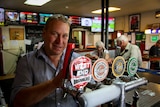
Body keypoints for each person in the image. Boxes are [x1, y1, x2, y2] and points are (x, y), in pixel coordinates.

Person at [10, 14, 81, 107]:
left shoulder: (78, 60)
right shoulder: (27, 61)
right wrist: (54, 83)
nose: (59, 41)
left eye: (64, 36)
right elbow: (18, 101)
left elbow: (92, 92)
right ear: (44, 33)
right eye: (55, 34)